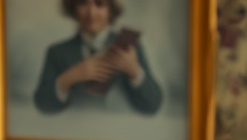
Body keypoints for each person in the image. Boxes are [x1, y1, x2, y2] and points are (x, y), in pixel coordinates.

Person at [33, 0, 162, 116]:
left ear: (110, 9)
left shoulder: (130, 47)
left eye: (99, 4)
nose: (92, 13)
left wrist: (134, 71)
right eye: (83, 3)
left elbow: (153, 106)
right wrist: (69, 77)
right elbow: (42, 106)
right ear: (73, 7)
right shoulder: (57, 52)